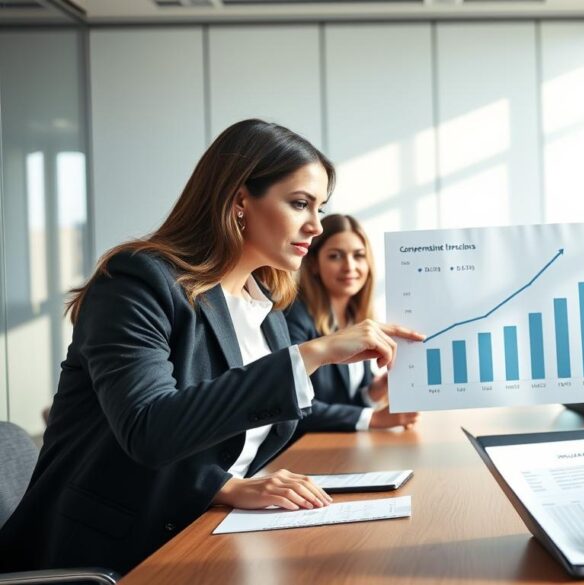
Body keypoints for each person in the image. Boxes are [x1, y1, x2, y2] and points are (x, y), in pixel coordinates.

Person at [0, 119, 424, 574]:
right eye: (300, 204)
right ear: (240, 201)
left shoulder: (266, 309)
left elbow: (217, 444)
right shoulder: (137, 281)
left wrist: (222, 485)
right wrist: (310, 355)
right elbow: (148, 428)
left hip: (198, 527)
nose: (316, 226)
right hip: (107, 554)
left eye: (320, 208)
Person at [285, 214, 418, 433]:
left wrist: (374, 391)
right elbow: (290, 403)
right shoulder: (295, 316)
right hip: (301, 450)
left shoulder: (357, 319)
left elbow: (342, 402)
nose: (349, 266)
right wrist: (373, 418)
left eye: (359, 256)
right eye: (335, 256)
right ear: (314, 264)